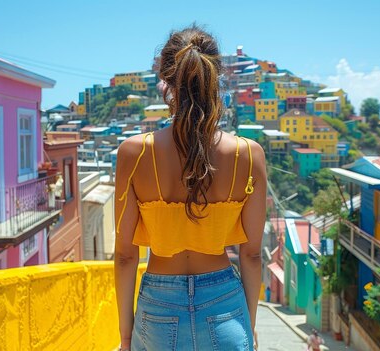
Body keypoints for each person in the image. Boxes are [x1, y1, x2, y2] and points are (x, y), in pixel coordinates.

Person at [114, 25, 266, 351]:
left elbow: (126, 257)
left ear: (166, 80)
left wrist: (126, 338)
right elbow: (252, 255)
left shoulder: (133, 153)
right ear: (215, 79)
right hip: (226, 304)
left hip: (158, 308)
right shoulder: (248, 155)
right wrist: (247, 326)